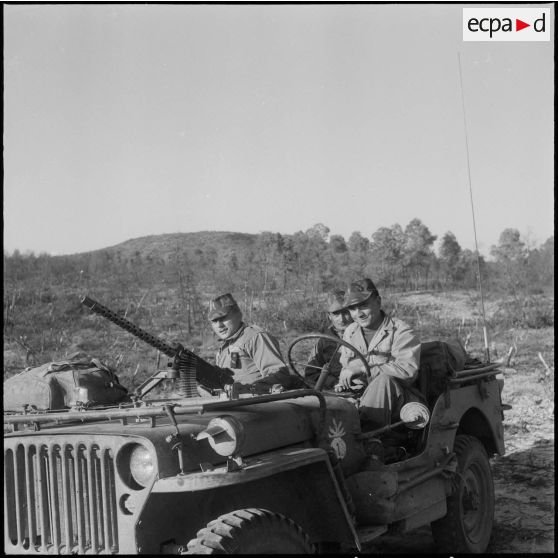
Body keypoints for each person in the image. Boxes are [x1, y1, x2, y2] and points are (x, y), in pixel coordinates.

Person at [336, 278, 423, 428]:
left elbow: (407, 370)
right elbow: (346, 365)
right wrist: (344, 383)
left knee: (384, 381)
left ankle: (369, 434)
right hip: (359, 394)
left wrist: (363, 369)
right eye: (352, 308)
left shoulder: (401, 331)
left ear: (378, 302)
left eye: (363, 306)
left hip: (396, 399)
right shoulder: (350, 331)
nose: (358, 314)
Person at [208, 293, 297, 393]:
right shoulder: (223, 348)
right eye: (214, 321)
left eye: (223, 318)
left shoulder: (255, 337)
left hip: (259, 400)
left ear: (238, 314)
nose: (219, 325)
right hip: (235, 401)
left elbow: (280, 375)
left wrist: (250, 388)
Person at [305, 289, 353, 389]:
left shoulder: (364, 335)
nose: (342, 319)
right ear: (329, 316)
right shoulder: (323, 341)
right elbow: (311, 374)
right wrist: (333, 383)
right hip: (333, 391)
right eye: (336, 314)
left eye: (345, 312)